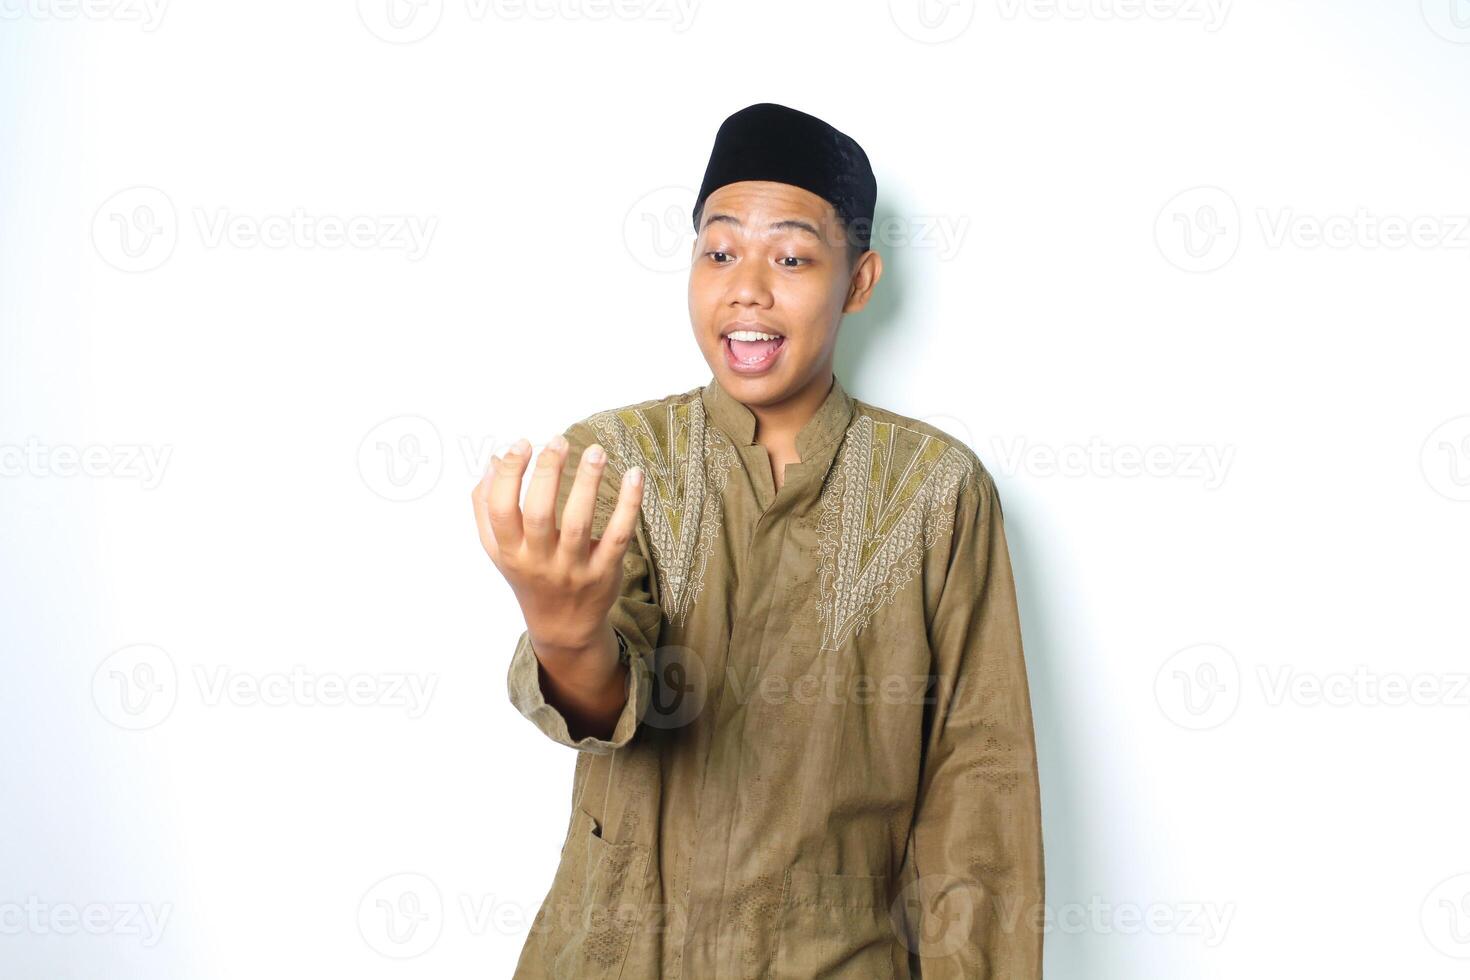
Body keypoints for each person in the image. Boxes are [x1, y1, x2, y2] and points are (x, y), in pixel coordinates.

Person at [471, 102, 1044, 979]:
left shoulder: (936, 491)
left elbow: (982, 795)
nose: (747, 285)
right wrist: (562, 630)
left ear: (858, 282)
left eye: (791, 256)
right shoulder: (618, 459)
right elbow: (600, 701)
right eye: (719, 249)